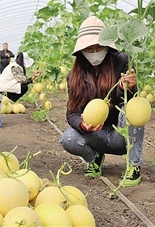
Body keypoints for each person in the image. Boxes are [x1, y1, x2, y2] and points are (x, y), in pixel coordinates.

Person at [59, 16, 144, 186]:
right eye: (90, 48)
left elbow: (128, 99)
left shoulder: (121, 60)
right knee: (68, 138)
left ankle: (133, 166)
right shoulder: (73, 76)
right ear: (82, 51)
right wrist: (83, 125)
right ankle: (94, 159)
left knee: (134, 110)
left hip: (121, 133)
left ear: (107, 46)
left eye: (99, 47)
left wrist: (124, 87)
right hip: (95, 134)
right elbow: (72, 113)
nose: (95, 52)